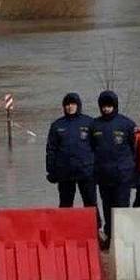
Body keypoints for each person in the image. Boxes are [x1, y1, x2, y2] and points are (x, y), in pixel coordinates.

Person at [90, 90, 137, 249]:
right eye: (104, 107)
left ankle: (123, 240)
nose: (106, 109)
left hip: (122, 175)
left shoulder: (127, 124)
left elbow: (134, 149)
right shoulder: (94, 125)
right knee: (107, 207)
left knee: (121, 207)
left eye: (109, 106)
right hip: (103, 176)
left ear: (115, 106)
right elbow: (91, 148)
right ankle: (109, 237)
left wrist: (132, 172)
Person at [45, 93, 99, 223]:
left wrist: (97, 169)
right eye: (67, 104)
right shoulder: (57, 125)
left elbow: (98, 147)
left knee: (90, 202)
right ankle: (63, 229)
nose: (70, 107)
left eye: (72, 104)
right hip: (65, 172)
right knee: (65, 203)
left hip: (86, 171)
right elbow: (51, 150)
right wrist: (51, 171)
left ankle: (95, 228)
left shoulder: (89, 122)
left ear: (78, 105)